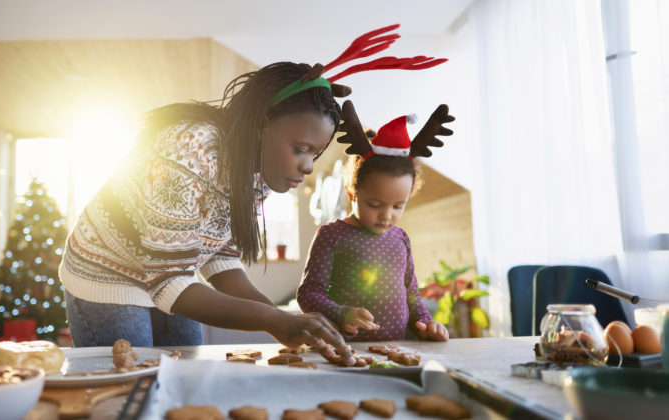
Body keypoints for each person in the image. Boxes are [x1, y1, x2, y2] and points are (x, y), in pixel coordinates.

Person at [58, 25, 446, 360]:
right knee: (131, 392)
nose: (308, 166)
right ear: (262, 126)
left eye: (315, 153)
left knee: (187, 376)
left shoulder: (257, 171)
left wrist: (289, 321)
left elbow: (218, 256)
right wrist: (272, 318)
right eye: (300, 148)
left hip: (169, 274)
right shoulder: (186, 150)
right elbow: (170, 283)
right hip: (108, 274)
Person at [296, 103, 454, 342]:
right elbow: (308, 294)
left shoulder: (400, 238)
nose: (386, 215)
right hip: (345, 350)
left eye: (397, 206)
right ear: (352, 192)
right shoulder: (331, 235)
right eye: (375, 204)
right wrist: (342, 313)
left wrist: (427, 323)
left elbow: (411, 294)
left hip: (397, 350)